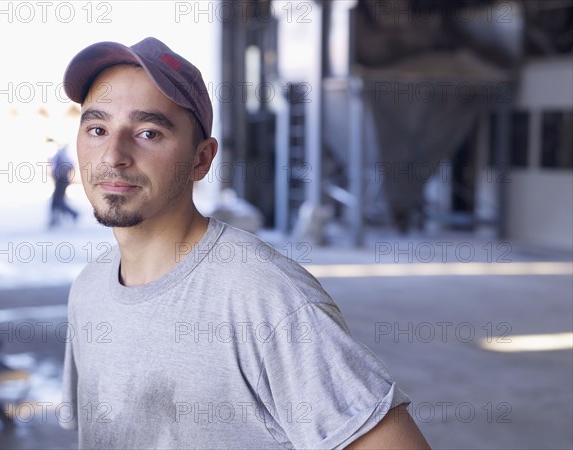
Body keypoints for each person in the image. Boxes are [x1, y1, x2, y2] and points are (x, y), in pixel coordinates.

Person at [60, 37, 430, 449]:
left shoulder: (266, 299)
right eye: (97, 128)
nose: (113, 155)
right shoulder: (89, 290)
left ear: (201, 159)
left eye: (148, 132)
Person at [48, 139, 79, 227]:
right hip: (59, 180)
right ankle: (56, 219)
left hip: (61, 180)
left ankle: (72, 214)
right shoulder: (58, 153)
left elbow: (71, 165)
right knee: (57, 200)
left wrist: (62, 173)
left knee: (57, 201)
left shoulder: (61, 154)